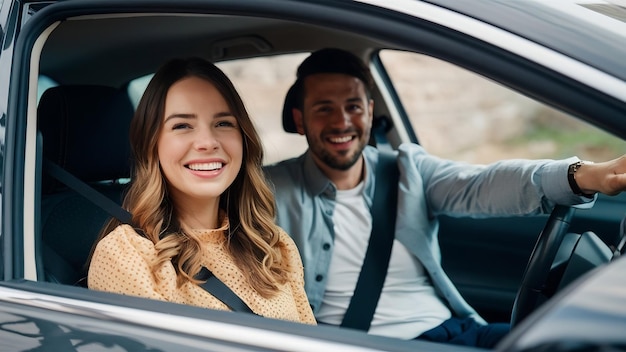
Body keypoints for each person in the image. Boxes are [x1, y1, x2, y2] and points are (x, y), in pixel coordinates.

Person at [263, 48, 626, 346]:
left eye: (353, 106)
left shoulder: (407, 170)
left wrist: (587, 175)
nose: (342, 121)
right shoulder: (269, 190)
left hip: (456, 330)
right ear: (299, 120)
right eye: (324, 108)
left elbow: (483, 184)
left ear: (370, 112)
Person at [88, 57, 315, 325]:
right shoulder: (127, 256)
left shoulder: (273, 243)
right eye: (182, 125)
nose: (208, 142)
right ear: (152, 144)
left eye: (223, 123)